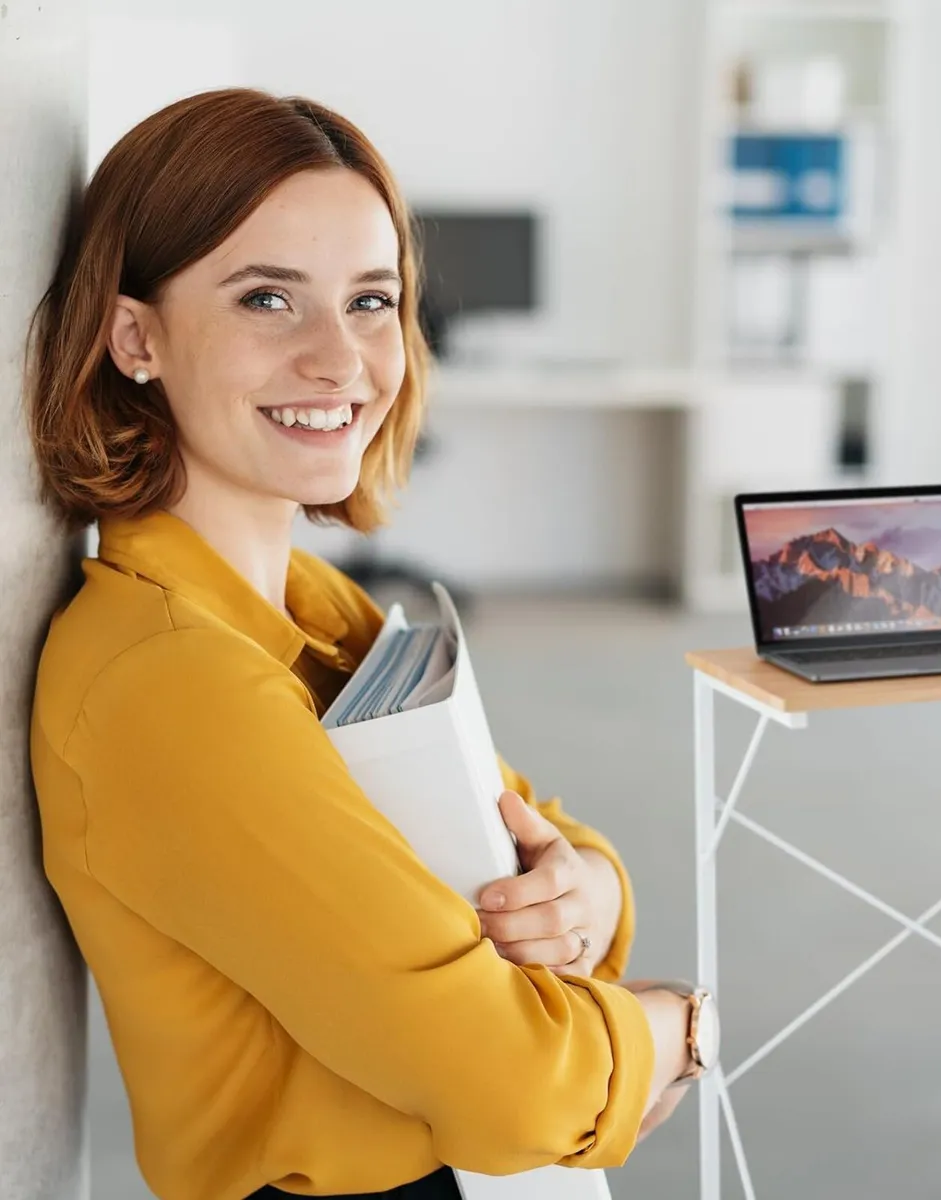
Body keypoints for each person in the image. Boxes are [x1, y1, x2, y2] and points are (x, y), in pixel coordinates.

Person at [25, 88, 718, 1200]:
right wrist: (680, 1027)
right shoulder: (169, 680)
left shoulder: (307, 605)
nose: (341, 359)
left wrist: (589, 887)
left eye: (372, 300)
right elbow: (519, 1092)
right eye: (267, 299)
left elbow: (523, 827)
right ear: (135, 336)